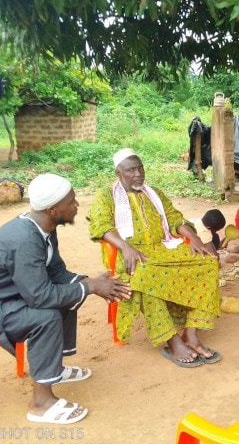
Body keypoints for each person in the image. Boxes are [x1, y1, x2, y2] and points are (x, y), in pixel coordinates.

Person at [0, 174, 131, 425]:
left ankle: (53, 370)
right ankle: (40, 404)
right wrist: (92, 286)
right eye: (71, 201)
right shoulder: (25, 239)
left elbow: (57, 273)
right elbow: (40, 296)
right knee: (46, 315)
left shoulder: (44, 228)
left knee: (70, 290)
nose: (76, 205)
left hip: (0, 297)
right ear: (53, 210)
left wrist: (93, 283)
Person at [87, 148, 222, 367]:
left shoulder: (154, 192)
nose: (138, 173)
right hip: (131, 253)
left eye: (140, 167)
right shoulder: (106, 195)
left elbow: (174, 218)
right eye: (131, 170)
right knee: (145, 272)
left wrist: (194, 238)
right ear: (118, 173)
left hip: (163, 247)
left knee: (209, 261)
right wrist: (125, 246)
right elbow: (100, 226)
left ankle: (191, 332)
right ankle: (172, 339)